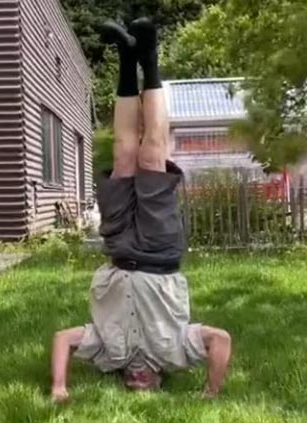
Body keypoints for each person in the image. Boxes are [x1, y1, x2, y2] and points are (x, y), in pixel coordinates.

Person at [49, 17, 232, 403]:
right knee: (152, 155)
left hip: (119, 249)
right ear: (161, 380)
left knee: (123, 154)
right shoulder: (178, 354)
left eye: (129, 384)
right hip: (158, 250)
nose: (135, 380)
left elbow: (63, 339)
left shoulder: (105, 353)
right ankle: (148, 58)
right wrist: (212, 392)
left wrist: (59, 386)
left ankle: (124, 56)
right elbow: (221, 339)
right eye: (144, 385)